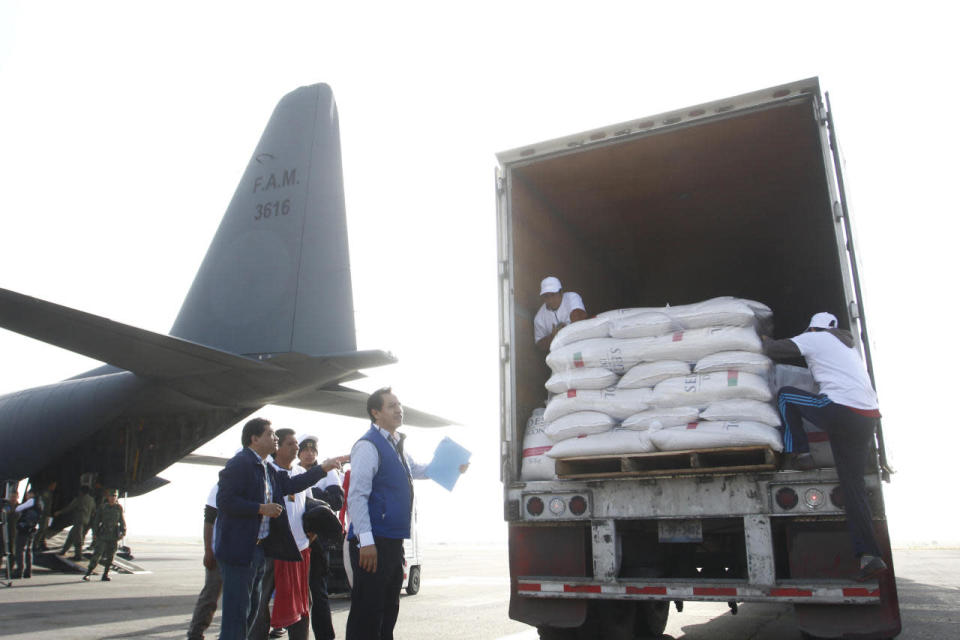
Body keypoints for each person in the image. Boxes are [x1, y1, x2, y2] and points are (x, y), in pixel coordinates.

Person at [762, 311, 888, 582]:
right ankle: (869, 555)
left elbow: (773, 349)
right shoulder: (848, 347)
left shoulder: (816, 338)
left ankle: (801, 454)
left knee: (785, 396)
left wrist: (758, 334)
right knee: (853, 486)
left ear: (812, 328)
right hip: (867, 418)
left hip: (840, 409)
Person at [345, 387, 468, 640]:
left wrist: (451, 465)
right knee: (367, 614)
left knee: (389, 610)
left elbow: (419, 470)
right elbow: (357, 495)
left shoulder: (396, 445)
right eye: (391, 406)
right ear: (375, 412)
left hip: (392, 541)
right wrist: (365, 541)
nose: (399, 409)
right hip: (372, 542)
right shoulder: (368, 446)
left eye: (399, 404)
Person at [215, 417, 340, 640]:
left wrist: (323, 468)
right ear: (254, 439)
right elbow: (224, 501)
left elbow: (292, 484)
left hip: (259, 551)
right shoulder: (240, 463)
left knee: (251, 612)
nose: (275, 438)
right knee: (237, 616)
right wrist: (261, 508)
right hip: (240, 552)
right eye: (270, 435)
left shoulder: (265, 468)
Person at [298, 434, 345, 640]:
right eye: (305, 450)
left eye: (312, 451)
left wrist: (312, 497)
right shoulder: (293, 471)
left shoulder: (328, 473)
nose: (309, 454)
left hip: (318, 539)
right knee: (295, 592)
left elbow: (337, 501)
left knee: (318, 591)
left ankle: (325, 636)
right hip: (297, 538)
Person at [187, 482, 222, 640]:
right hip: (218, 552)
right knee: (210, 595)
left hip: (241, 554)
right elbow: (209, 518)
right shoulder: (221, 486)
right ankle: (195, 633)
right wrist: (208, 550)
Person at [82, 488, 126, 581]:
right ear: (108, 497)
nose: (112, 498)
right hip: (103, 534)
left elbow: (122, 520)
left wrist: (123, 531)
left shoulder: (119, 508)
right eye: (111, 496)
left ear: (116, 497)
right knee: (97, 554)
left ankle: (105, 574)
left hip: (114, 535)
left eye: (114, 496)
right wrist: (95, 533)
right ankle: (88, 573)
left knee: (111, 556)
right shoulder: (103, 507)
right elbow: (96, 521)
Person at [533, 276, 587, 352]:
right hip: (560, 353)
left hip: (581, 345)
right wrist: (553, 336)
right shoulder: (539, 318)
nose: (550, 300)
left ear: (561, 292)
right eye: (546, 296)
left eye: (553, 295)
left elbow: (580, 318)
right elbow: (539, 345)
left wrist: (565, 330)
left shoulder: (572, 297)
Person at [56, 485, 96, 560]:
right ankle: (64, 550)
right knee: (71, 535)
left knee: (78, 538)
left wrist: (60, 512)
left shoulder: (79, 499)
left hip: (78, 520)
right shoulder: (91, 500)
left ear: (81, 491)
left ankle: (78, 555)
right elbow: (94, 511)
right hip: (86, 520)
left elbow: (70, 507)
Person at [13, 486, 43, 578]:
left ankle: (19, 571)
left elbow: (18, 508)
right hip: (32, 528)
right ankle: (28, 571)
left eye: (28, 494)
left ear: (32, 494)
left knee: (20, 549)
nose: (27, 495)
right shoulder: (40, 503)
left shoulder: (31, 501)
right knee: (28, 550)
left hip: (25, 528)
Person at [34, 479, 56, 551]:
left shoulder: (50, 493)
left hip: (47, 514)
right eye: (54, 485)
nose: (54, 487)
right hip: (43, 514)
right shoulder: (45, 493)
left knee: (45, 530)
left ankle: (41, 544)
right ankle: (35, 545)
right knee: (41, 530)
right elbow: (42, 504)